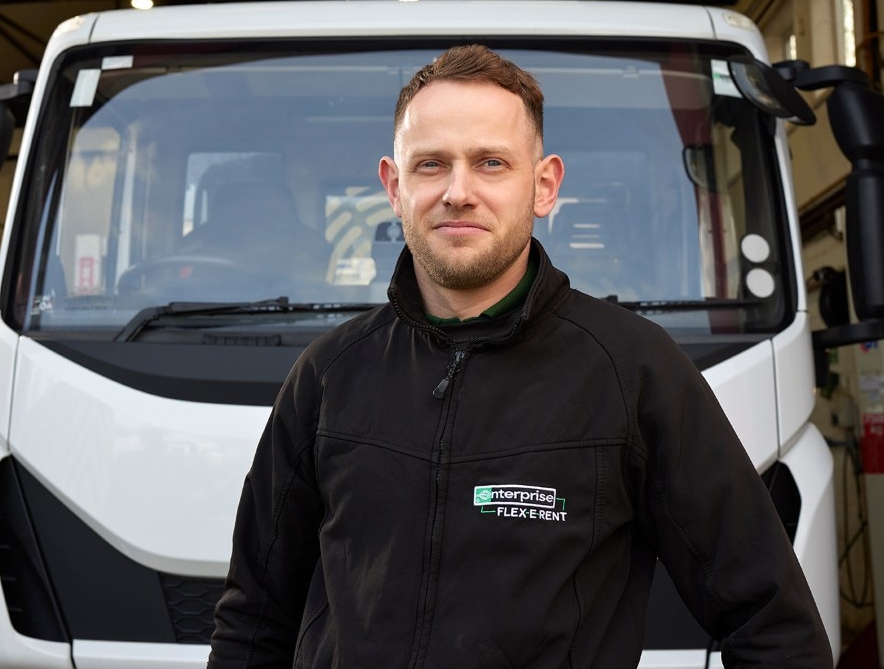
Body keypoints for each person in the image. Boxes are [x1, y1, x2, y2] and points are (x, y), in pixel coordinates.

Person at [208, 45, 833, 667]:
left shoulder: (633, 371)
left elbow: (773, 627)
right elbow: (253, 620)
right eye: (431, 165)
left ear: (543, 186)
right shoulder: (328, 373)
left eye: (490, 163)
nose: (458, 191)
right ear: (394, 187)